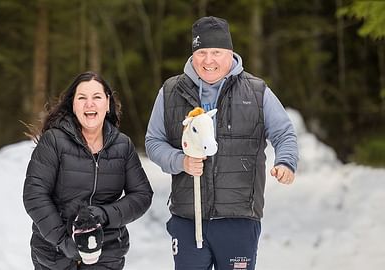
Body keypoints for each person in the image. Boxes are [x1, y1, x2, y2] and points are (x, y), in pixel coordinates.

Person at [145, 16, 299, 270]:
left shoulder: (257, 91)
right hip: (188, 219)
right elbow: (154, 141)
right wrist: (180, 161)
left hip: (238, 219)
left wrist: (286, 162)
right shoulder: (171, 91)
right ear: (193, 54)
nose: (208, 60)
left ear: (230, 52)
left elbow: (284, 133)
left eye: (216, 52)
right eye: (202, 52)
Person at [23, 71, 153, 270]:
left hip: (107, 254)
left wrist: (104, 214)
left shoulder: (122, 145)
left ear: (107, 102)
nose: (89, 104)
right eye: (82, 98)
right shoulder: (54, 141)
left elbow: (142, 195)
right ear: (73, 104)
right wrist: (64, 242)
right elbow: (34, 194)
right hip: (55, 255)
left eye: (97, 97)